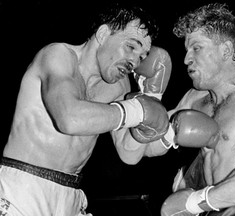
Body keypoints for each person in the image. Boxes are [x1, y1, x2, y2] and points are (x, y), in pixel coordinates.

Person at [0, 3, 172, 216]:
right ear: (102, 33)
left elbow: (129, 154)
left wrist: (150, 102)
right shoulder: (58, 56)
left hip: (71, 195)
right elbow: (69, 119)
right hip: (24, 186)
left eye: (142, 57)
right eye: (131, 47)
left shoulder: (119, 86)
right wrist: (136, 111)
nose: (134, 61)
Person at [159, 3, 235, 216]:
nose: (186, 58)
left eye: (196, 48)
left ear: (226, 50)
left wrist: (192, 203)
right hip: (207, 209)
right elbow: (137, 151)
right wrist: (145, 100)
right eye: (186, 50)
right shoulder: (193, 99)